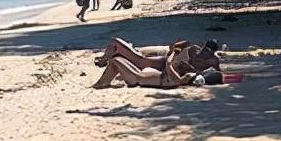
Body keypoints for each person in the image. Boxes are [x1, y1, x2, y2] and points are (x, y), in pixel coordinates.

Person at [92, 38, 220, 88]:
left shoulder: (176, 79)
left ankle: (101, 82)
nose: (204, 52)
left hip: (137, 79)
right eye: (204, 49)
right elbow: (174, 56)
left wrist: (173, 57)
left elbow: (170, 66)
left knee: (116, 58)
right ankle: (103, 81)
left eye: (207, 51)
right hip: (141, 76)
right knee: (117, 57)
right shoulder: (193, 53)